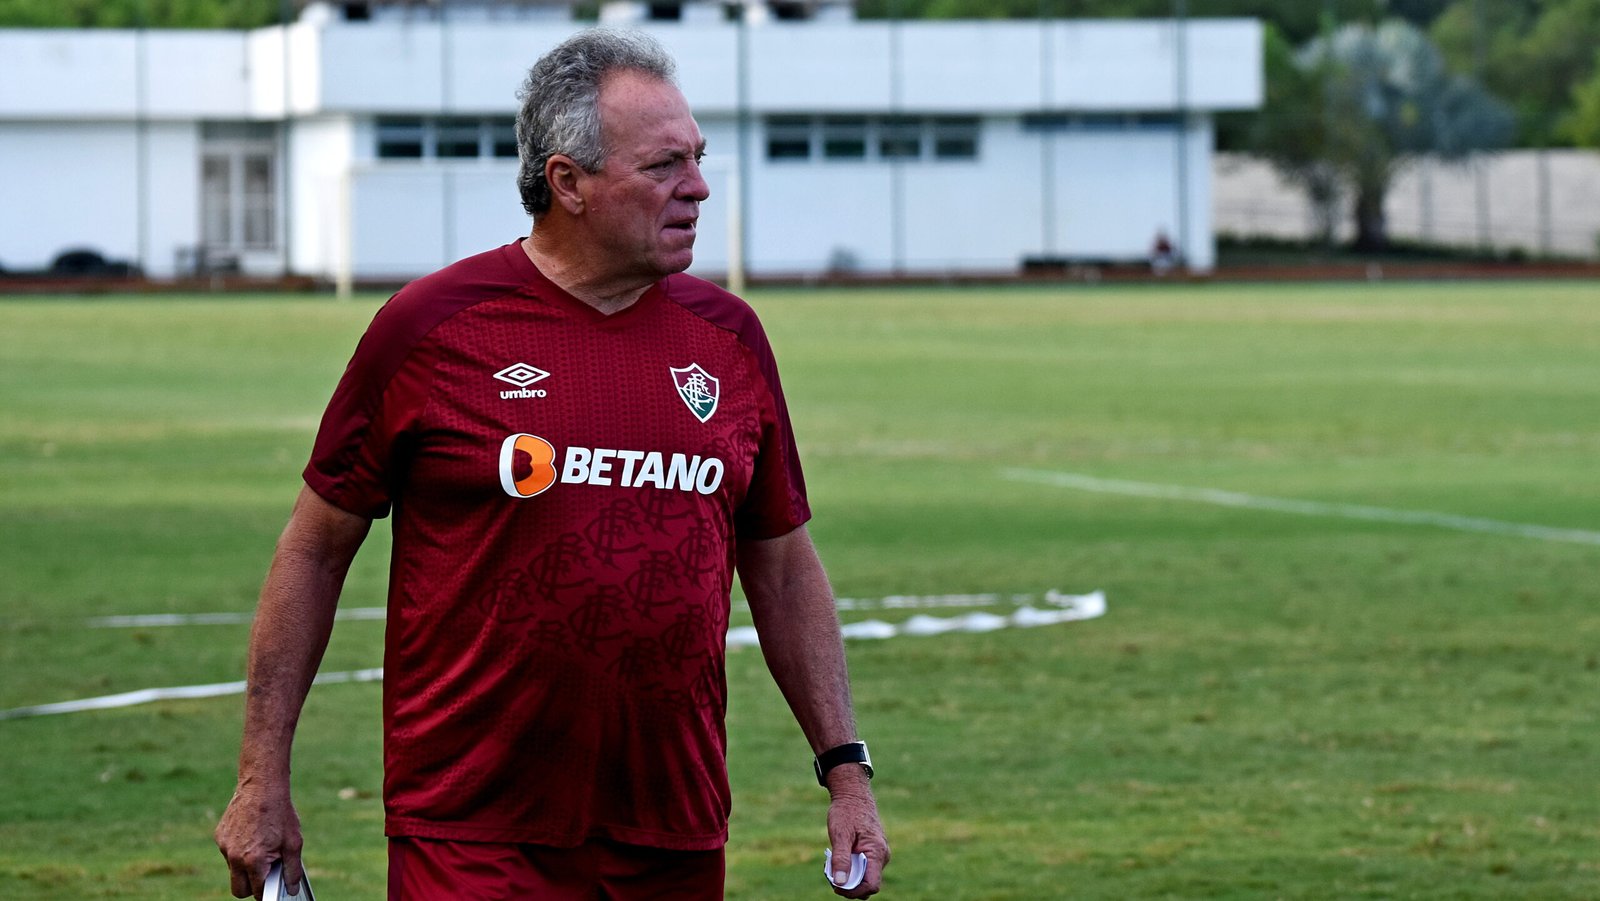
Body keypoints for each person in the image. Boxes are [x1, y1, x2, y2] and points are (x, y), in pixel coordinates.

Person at [214, 27, 888, 901]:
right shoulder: (431, 329)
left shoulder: (730, 340)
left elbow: (785, 566)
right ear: (566, 181)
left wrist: (847, 771)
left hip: (672, 828)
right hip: (473, 831)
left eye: (698, 157)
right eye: (662, 166)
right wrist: (261, 780)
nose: (698, 187)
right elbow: (313, 548)